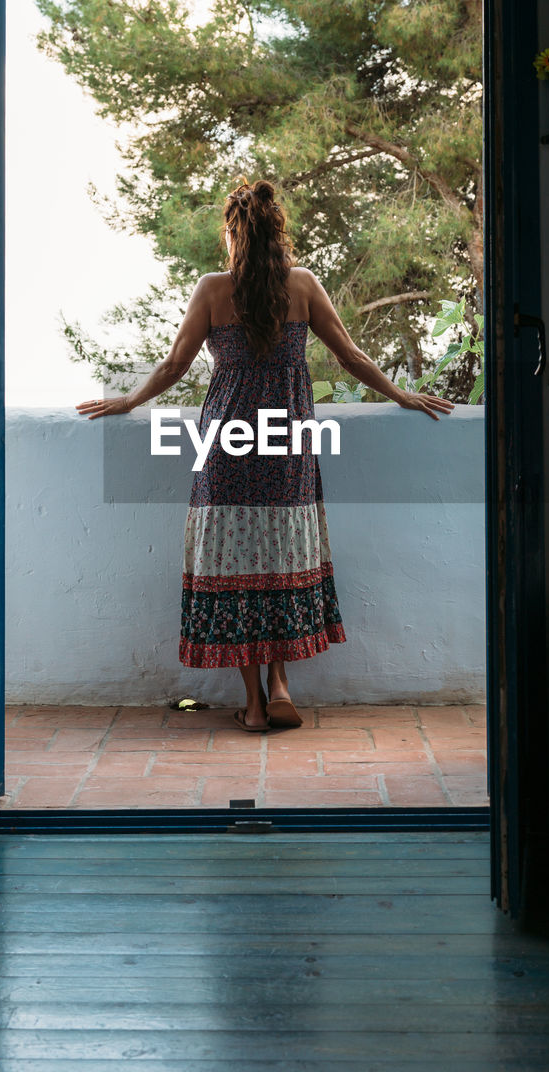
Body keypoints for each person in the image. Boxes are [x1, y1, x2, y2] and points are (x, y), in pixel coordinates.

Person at [77, 180, 454, 732]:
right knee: (282, 557)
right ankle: (282, 685)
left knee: (235, 564)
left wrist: (128, 400)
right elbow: (348, 355)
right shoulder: (302, 286)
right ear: (277, 235)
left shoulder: (211, 290)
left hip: (226, 444)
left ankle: (253, 703)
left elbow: (173, 367)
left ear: (234, 235)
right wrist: (401, 394)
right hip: (286, 442)